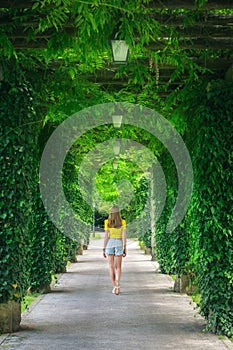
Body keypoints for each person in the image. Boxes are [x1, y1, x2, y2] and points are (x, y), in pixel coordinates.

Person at [103, 205, 126, 295]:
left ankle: (114, 287)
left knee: (111, 267)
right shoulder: (122, 222)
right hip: (119, 243)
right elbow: (124, 235)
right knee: (118, 267)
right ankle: (118, 286)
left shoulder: (107, 222)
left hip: (110, 243)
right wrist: (125, 247)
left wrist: (104, 248)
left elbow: (106, 236)